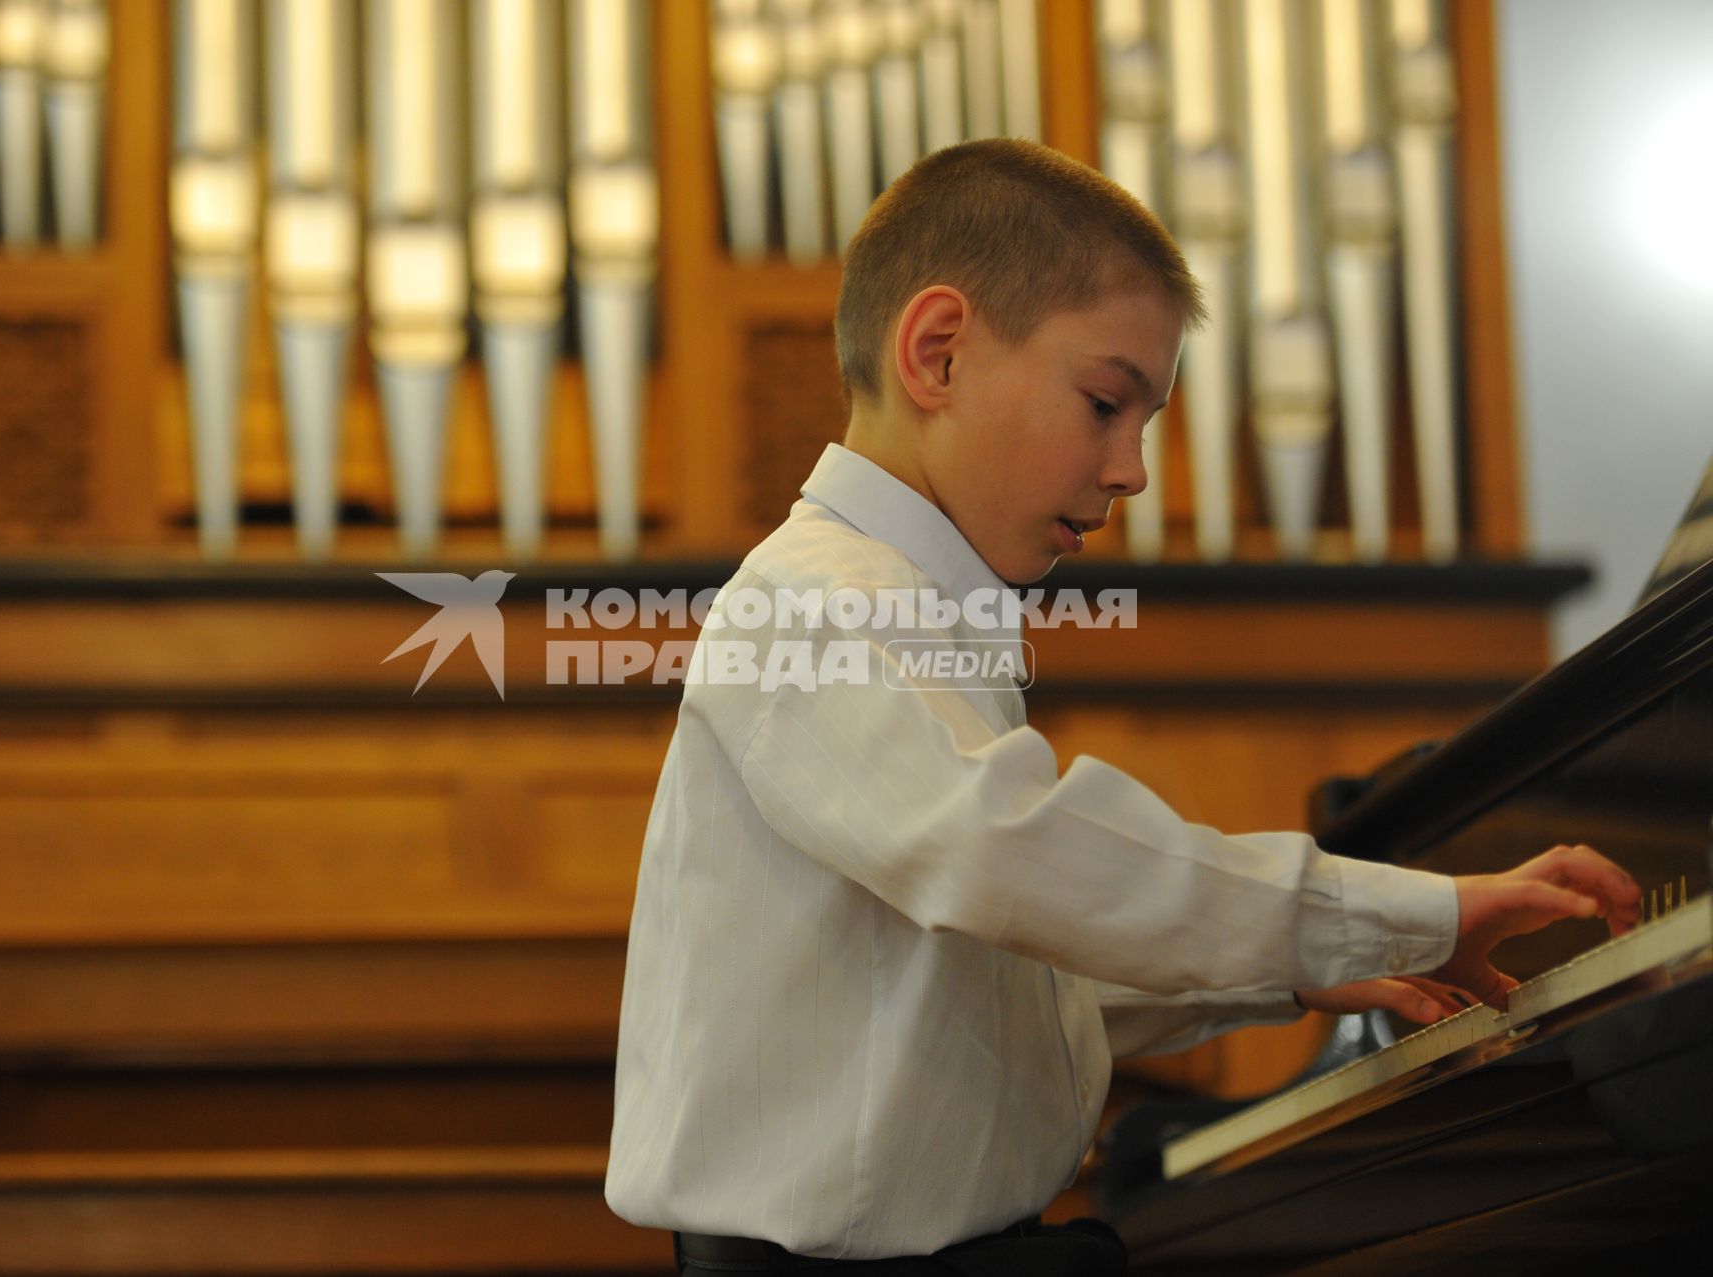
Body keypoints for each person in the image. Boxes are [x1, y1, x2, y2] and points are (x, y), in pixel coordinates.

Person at [604, 139, 1642, 1276]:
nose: (1134, 469)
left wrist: (1283, 971)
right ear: (938, 352)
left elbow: (972, 988)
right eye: (1106, 402)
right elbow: (1004, 853)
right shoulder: (814, 605)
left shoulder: (905, 608)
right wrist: (1409, 908)